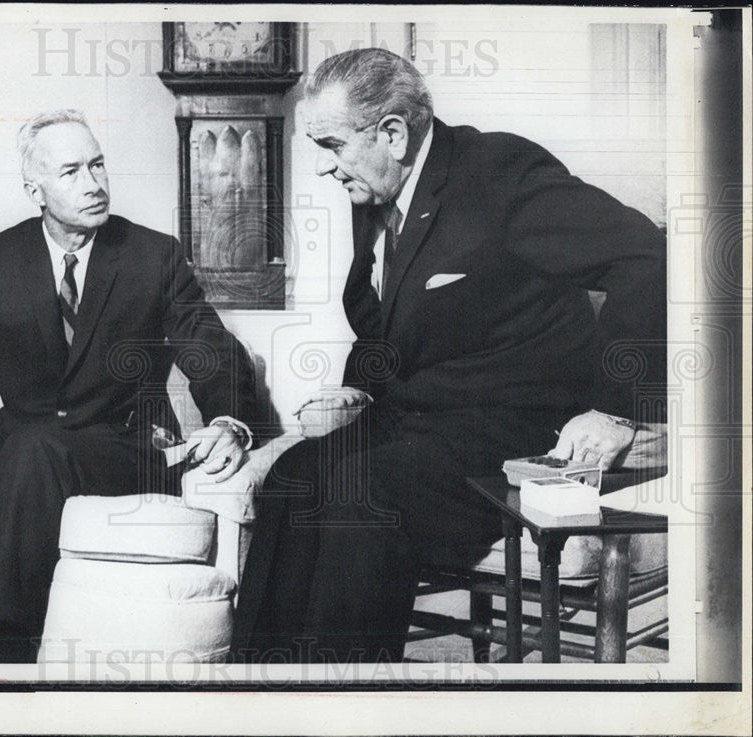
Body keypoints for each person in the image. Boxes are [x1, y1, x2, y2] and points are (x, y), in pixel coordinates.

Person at [232, 48, 666, 663]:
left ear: (392, 132)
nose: (327, 168)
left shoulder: (503, 173)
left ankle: (343, 705)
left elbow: (647, 258)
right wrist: (359, 386)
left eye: (332, 146)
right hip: (416, 425)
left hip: (507, 431)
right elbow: (392, 322)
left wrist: (614, 410)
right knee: (290, 477)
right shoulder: (379, 188)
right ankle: (256, 693)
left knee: (361, 494)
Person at [0, 110, 256, 663]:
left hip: (123, 444)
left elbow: (209, 348)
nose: (93, 183)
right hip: (23, 439)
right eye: (72, 171)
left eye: (98, 165)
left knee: (34, 448)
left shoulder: (153, 255)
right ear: (35, 189)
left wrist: (229, 420)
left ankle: (16, 646)